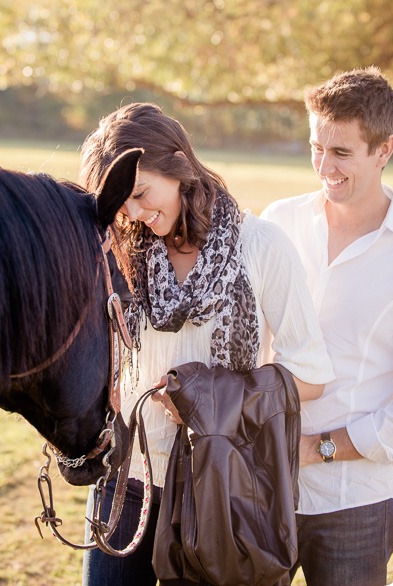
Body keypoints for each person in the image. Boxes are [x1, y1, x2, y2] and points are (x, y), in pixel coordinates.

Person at [79, 102, 334, 586]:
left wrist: (210, 397)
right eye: (121, 202)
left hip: (217, 485)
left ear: (177, 164)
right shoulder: (118, 250)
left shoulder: (262, 246)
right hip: (125, 480)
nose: (132, 212)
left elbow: (312, 376)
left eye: (140, 193)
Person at [261, 66, 393, 586]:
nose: (323, 165)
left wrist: (320, 449)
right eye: (317, 147)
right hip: (259, 489)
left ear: (384, 150)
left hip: (355, 504)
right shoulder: (278, 222)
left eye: (341, 153)